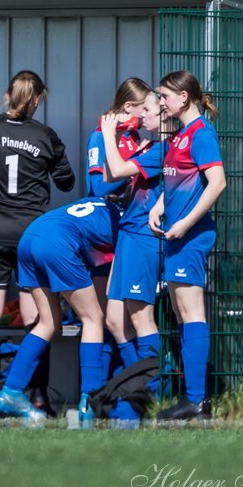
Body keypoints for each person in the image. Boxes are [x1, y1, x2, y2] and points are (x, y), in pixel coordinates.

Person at [0, 70, 75, 418]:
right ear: (38, 98)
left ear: (7, 94)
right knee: (38, 317)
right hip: (30, 234)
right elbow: (68, 182)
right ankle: (38, 395)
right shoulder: (45, 136)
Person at [0, 196, 116, 425]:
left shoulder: (95, 203)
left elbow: (97, 256)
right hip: (56, 241)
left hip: (31, 236)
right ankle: (90, 400)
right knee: (93, 318)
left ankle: (11, 391)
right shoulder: (123, 219)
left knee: (48, 321)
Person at [148, 70, 226, 420]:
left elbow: (217, 183)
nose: (161, 102)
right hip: (177, 236)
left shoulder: (201, 134)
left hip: (190, 237)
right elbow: (178, 180)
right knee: (181, 312)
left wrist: (185, 223)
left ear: (184, 97)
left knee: (192, 312)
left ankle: (197, 400)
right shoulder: (180, 136)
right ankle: (191, 397)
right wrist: (159, 206)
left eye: (165, 96)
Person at [99, 88, 168, 420]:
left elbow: (114, 170)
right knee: (114, 320)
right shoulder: (152, 146)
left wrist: (109, 134)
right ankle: (139, 385)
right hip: (128, 233)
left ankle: (151, 392)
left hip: (143, 236)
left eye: (149, 111)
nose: (142, 117)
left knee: (141, 318)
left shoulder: (162, 149)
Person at [87, 78, 151, 383]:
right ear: (128, 108)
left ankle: (134, 384)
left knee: (130, 318)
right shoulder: (101, 136)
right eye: (143, 109)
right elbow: (97, 187)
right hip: (105, 240)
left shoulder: (137, 137)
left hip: (133, 234)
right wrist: (130, 170)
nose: (147, 115)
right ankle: (104, 389)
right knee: (106, 319)